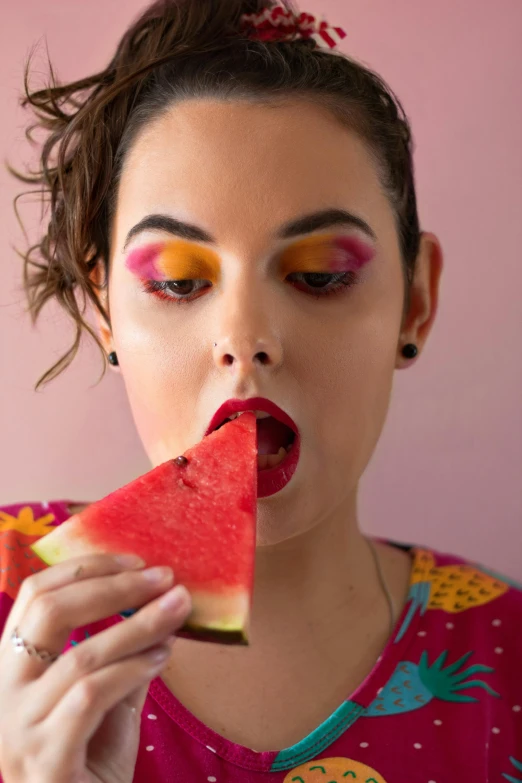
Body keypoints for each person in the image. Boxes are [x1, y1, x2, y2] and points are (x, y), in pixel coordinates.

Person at [0, 0, 520, 780]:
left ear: (416, 301)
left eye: (320, 275)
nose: (245, 337)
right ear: (104, 311)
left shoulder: (505, 658)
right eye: (178, 281)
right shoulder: (10, 587)